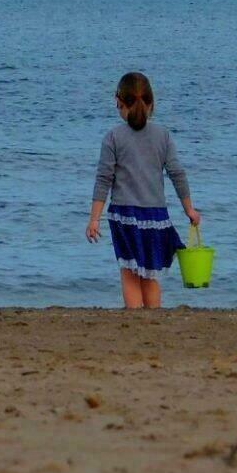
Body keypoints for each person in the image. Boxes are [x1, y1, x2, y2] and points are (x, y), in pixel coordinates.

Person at [85, 71, 201, 309]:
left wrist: (94, 220)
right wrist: (189, 209)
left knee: (130, 273)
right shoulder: (163, 136)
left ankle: (134, 317)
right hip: (156, 217)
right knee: (150, 274)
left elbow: (103, 180)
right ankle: (153, 318)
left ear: (119, 102)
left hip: (124, 217)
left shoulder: (113, 137)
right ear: (151, 103)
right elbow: (177, 173)